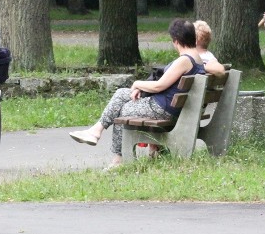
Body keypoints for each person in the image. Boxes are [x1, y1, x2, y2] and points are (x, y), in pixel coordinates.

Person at [69, 19, 205, 167]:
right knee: (122, 94)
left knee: (122, 110)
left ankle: (117, 160)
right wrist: (141, 88)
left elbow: (159, 85)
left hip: (163, 109)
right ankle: (96, 131)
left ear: (176, 41)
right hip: (174, 107)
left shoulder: (184, 60)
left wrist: (137, 84)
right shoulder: (197, 58)